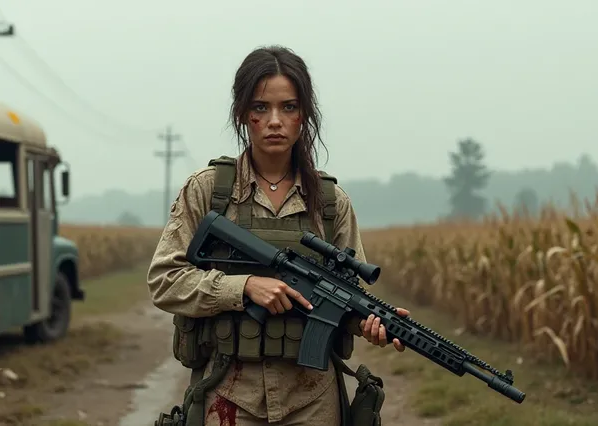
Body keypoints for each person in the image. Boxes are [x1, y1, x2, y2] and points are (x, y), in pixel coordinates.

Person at [147, 45, 410, 426]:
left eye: (288, 107)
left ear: (304, 116)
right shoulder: (209, 191)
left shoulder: (331, 202)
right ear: (242, 114)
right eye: (260, 108)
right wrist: (244, 287)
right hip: (229, 392)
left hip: (313, 399)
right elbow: (164, 281)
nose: (274, 121)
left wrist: (372, 323)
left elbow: (349, 296)